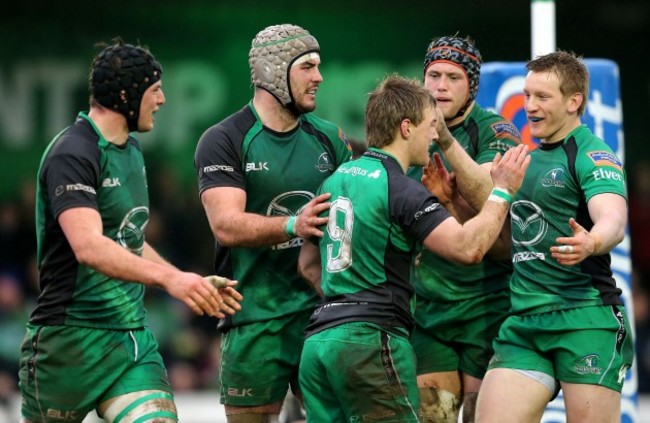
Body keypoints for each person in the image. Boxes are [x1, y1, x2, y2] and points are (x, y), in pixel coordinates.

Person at [18, 39, 243, 423]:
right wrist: (172, 280)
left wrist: (188, 280)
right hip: (68, 342)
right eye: (155, 90)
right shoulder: (73, 152)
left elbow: (129, 240)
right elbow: (88, 246)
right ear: (127, 95)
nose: (163, 100)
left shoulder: (132, 150)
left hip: (131, 340)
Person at [296, 74, 530, 423]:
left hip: (319, 344)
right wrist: (502, 192)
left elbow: (307, 264)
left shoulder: (336, 179)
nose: (435, 135)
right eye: (430, 126)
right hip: (372, 342)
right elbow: (468, 249)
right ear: (406, 127)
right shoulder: (402, 189)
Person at [437, 50, 634, 422]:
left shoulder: (592, 154)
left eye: (542, 97)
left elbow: (613, 219)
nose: (529, 105)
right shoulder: (520, 160)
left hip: (585, 318)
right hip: (525, 322)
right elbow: (505, 241)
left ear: (574, 101)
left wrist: (592, 241)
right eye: (526, 95)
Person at [194, 24, 352, 422]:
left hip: (321, 316)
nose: (319, 77)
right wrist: (292, 226)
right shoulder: (224, 139)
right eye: (308, 67)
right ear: (273, 71)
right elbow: (226, 225)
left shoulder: (330, 139)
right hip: (254, 321)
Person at [407, 35, 522, 422]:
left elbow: (496, 194)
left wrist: (445, 138)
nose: (440, 85)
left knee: (478, 416)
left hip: (485, 306)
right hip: (429, 311)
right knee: (432, 415)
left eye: (453, 77)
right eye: (433, 75)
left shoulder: (496, 131)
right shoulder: (407, 130)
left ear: (472, 85)